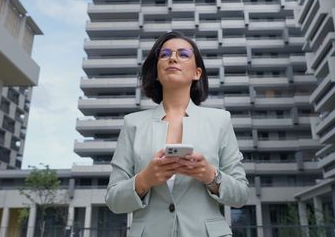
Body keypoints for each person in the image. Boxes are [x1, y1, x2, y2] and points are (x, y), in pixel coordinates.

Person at [106, 31, 249, 237]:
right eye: (164, 54)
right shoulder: (132, 124)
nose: (172, 57)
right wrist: (145, 179)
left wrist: (210, 175)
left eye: (183, 54)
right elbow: (113, 200)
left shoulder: (220, 121)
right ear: (157, 71)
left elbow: (241, 195)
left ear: (197, 73)